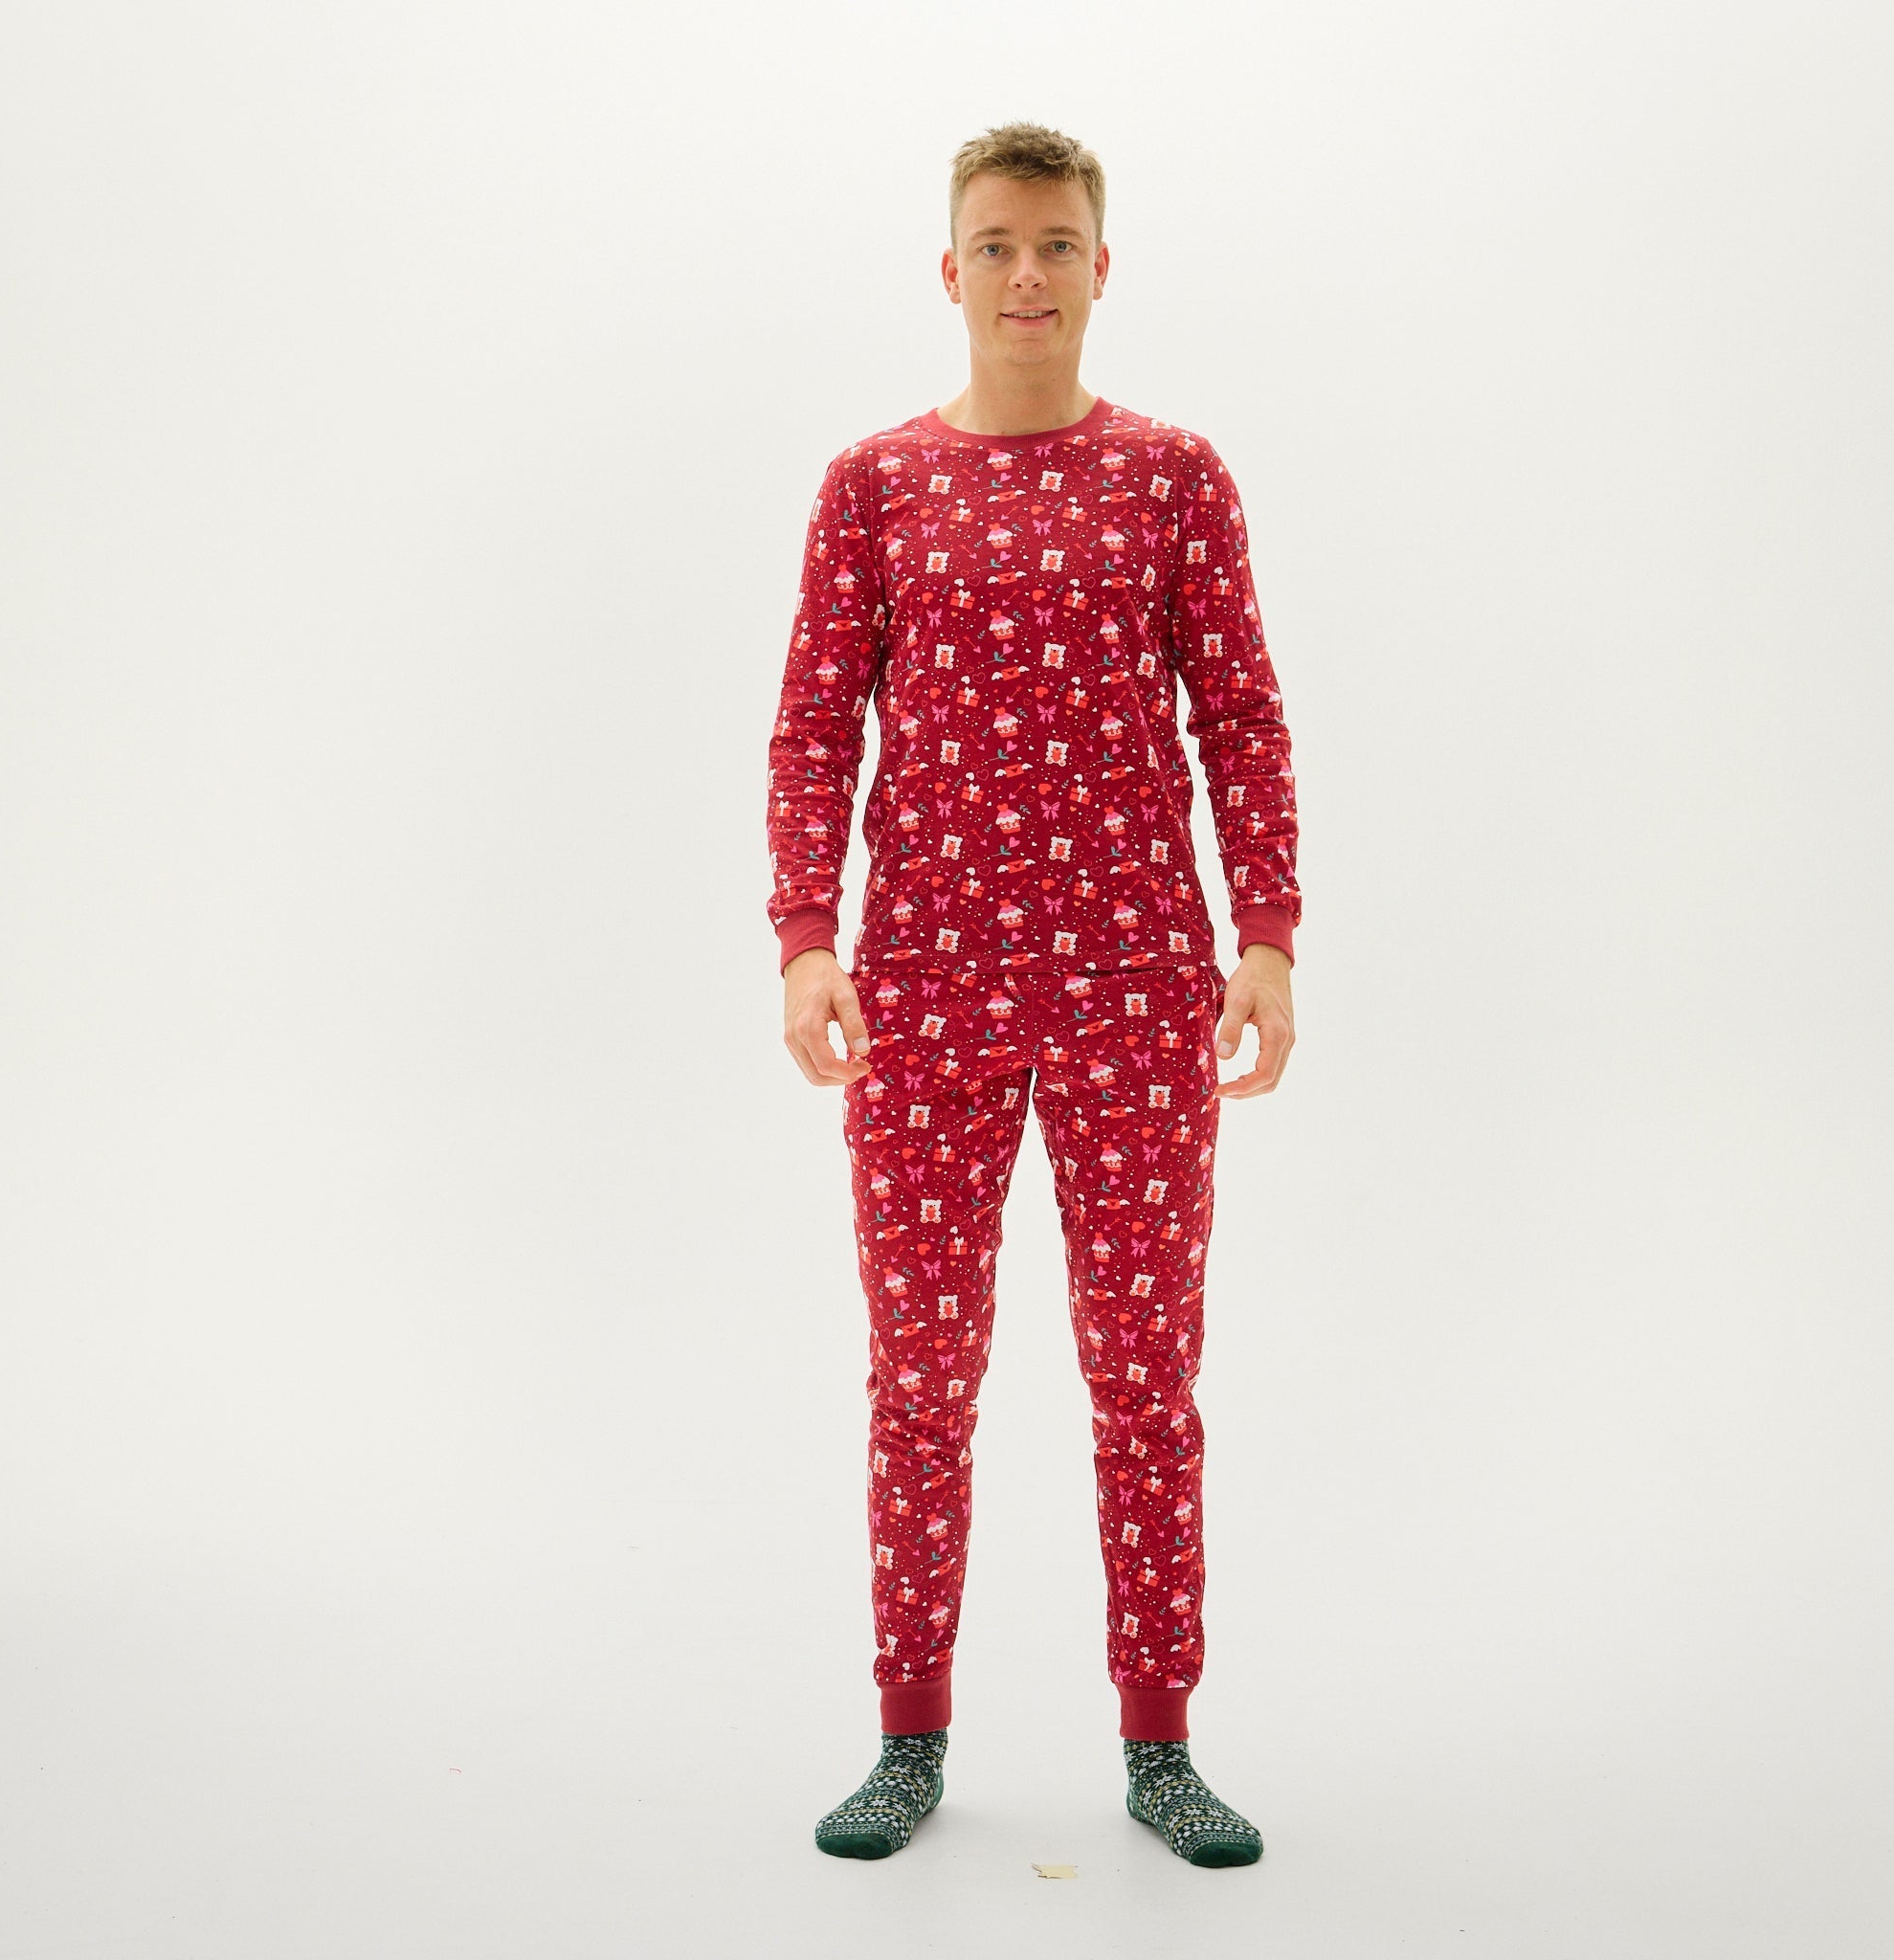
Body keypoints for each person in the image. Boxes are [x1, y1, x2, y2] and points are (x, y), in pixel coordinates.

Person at [764, 122, 1301, 1869]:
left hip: (1139, 996)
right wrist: (807, 937)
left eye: (1056, 244)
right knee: (922, 1377)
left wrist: (1268, 936)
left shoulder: (1175, 477)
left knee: (1146, 1381)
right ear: (950, 270)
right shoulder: (874, 486)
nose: (1026, 275)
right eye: (996, 244)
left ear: (1100, 268)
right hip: (925, 996)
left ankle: (1162, 1745)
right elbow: (814, 728)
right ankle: (908, 1735)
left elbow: (1241, 717)